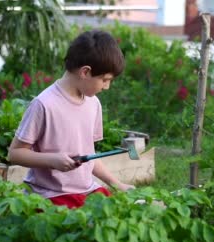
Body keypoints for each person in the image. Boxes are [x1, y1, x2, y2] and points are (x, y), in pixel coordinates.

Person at [7, 30, 135, 209]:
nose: (107, 87)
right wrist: (52, 160)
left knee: (120, 213)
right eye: (105, 80)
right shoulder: (44, 104)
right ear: (85, 72)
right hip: (51, 194)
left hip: (87, 190)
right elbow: (15, 153)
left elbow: (89, 156)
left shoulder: (93, 103)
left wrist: (118, 184)